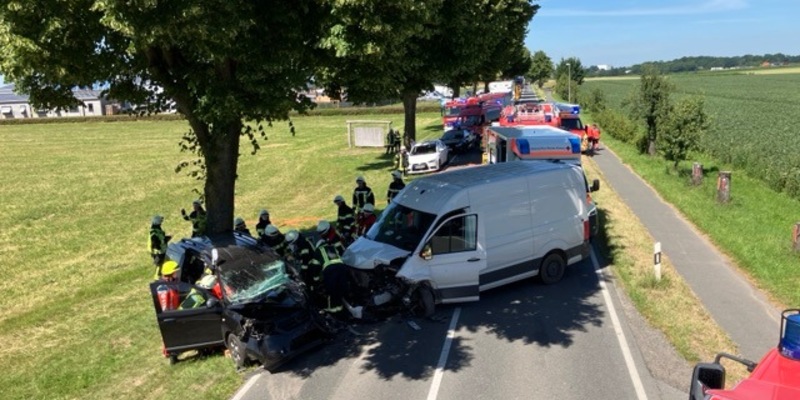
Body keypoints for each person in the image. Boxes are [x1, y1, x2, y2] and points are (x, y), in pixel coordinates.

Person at [309, 226, 350, 316]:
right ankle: (342, 310)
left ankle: (333, 313)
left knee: (331, 292)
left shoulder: (318, 251)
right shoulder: (332, 247)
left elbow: (315, 268)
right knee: (340, 289)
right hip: (342, 268)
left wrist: (315, 281)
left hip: (330, 271)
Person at [149, 215, 172, 280]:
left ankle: (166, 275)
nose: (161, 222)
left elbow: (161, 239)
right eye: (160, 221)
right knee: (159, 264)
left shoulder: (158, 229)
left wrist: (166, 238)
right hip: (159, 252)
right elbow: (155, 241)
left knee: (165, 262)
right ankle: (157, 278)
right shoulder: (154, 232)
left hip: (163, 250)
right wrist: (159, 247)